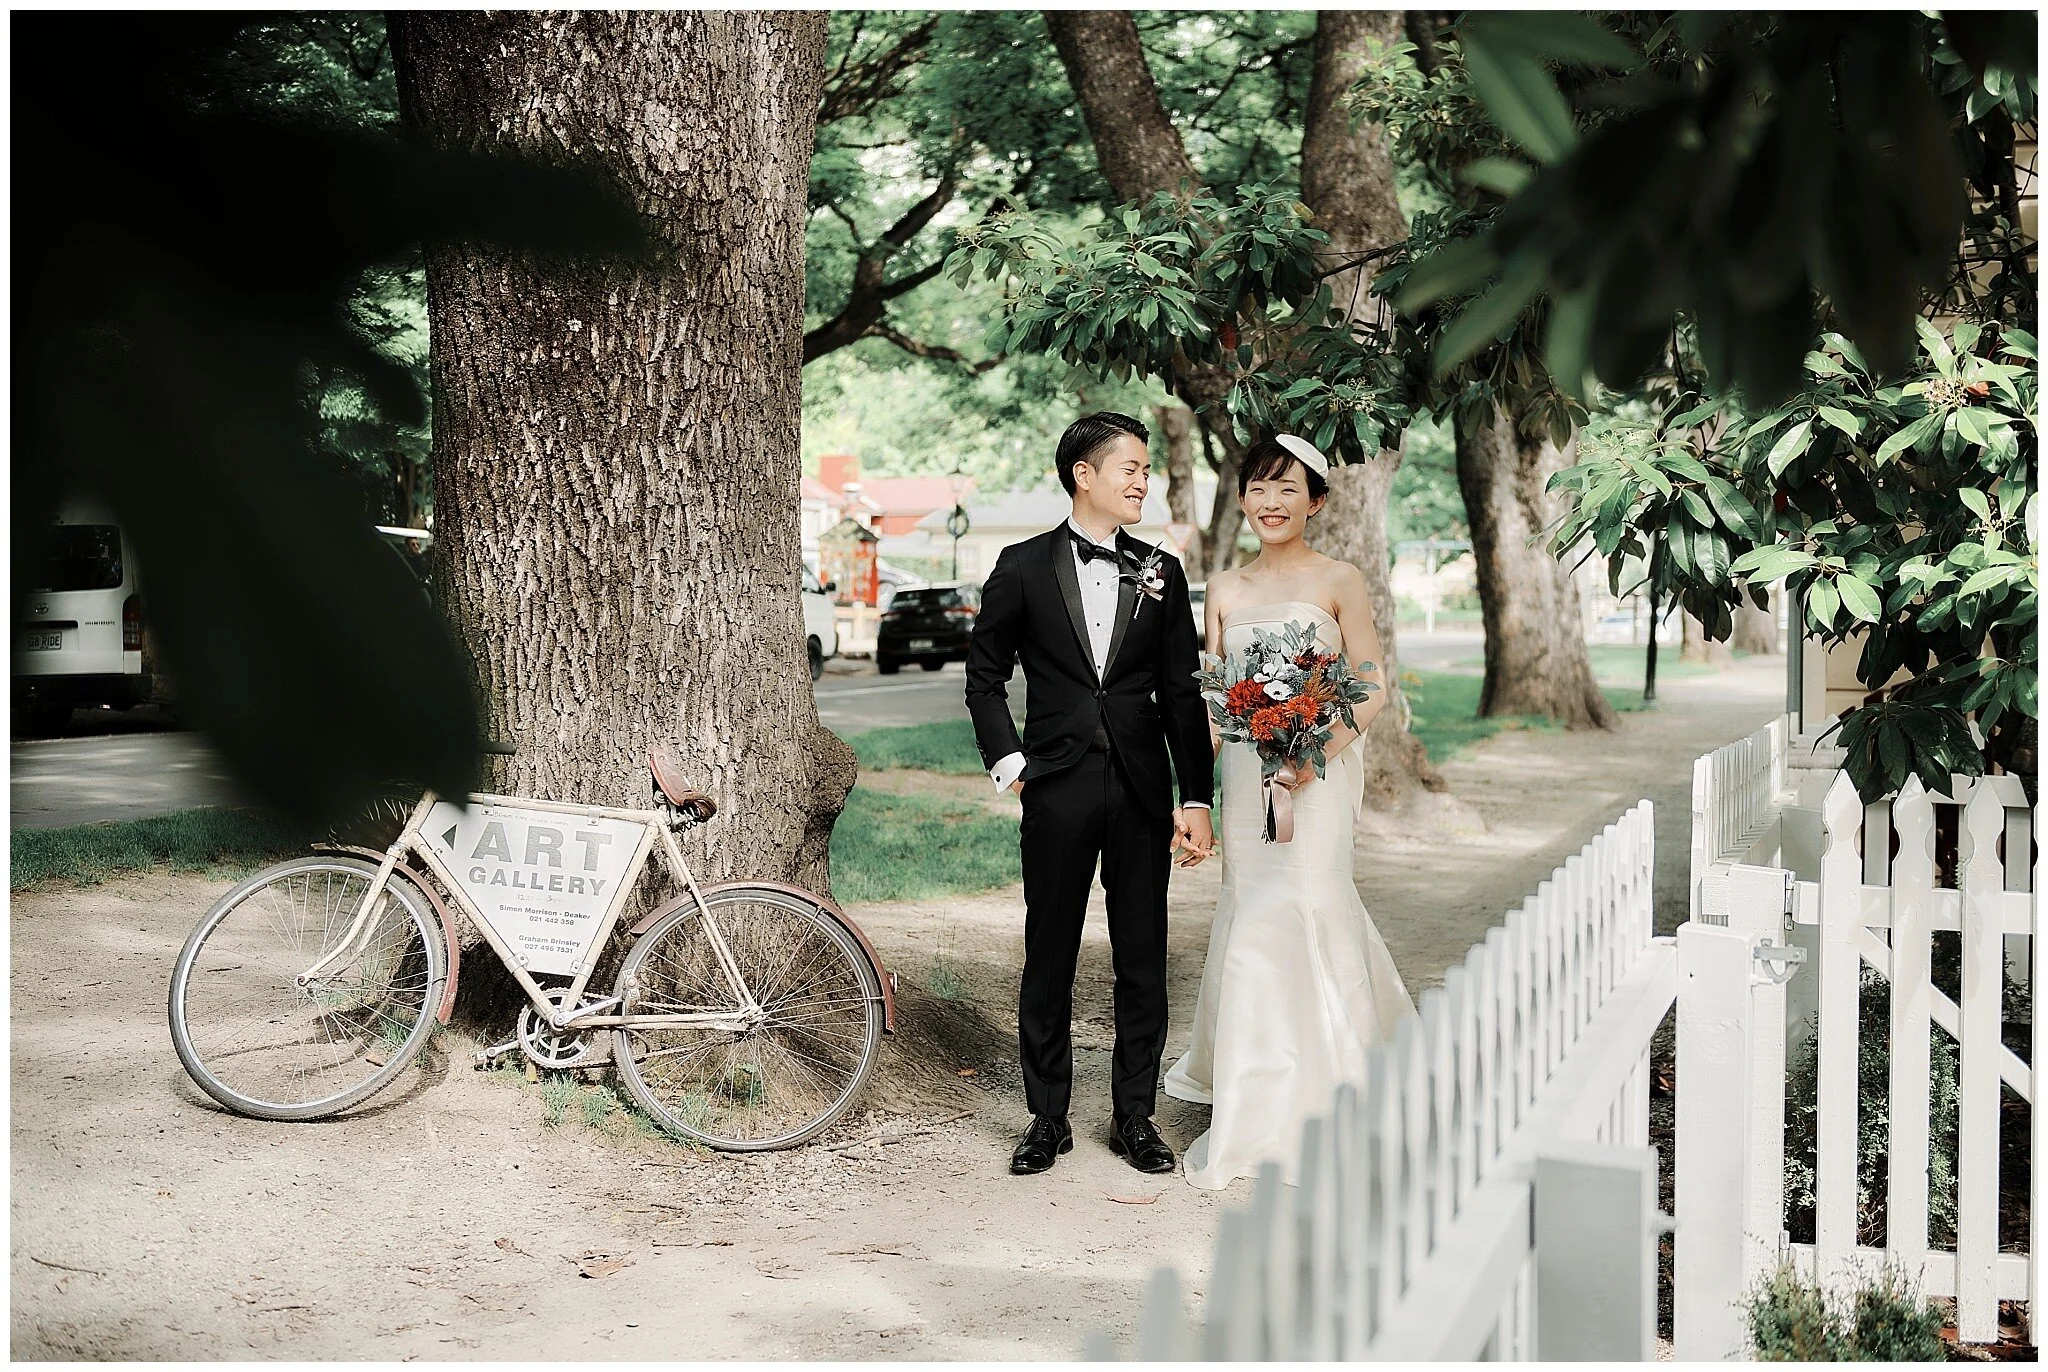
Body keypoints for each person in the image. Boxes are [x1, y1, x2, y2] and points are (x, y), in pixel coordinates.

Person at [964, 411, 1215, 1177]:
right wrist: (1011, 762)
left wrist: (1196, 798)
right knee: (1051, 952)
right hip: (1057, 785)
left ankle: (1134, 1116)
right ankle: (1047, 1117)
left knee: (1143, 956)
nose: (1143, 482)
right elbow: (984, 677)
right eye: (1130, 468)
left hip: (1141, 788)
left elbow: (1181, 692)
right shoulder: (1021, 566)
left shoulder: (1161, 571)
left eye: (1146, 470)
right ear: (1084, 474)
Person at [1163, 433, 1416, 1190]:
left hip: (1319, 772)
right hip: (1247, 776)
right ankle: (1254, 1093)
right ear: (1242, 499)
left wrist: (1312, 753)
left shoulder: (1340, 579)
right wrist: (1194, 798)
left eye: (1288, 488)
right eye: (1258, 488)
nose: (1271, 503)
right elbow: (1215, 701)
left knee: (1313, 899)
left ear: (1316, 501)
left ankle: (1338, 1084)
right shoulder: (1223, 587)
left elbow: (1370, 683)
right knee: (1252, 906)